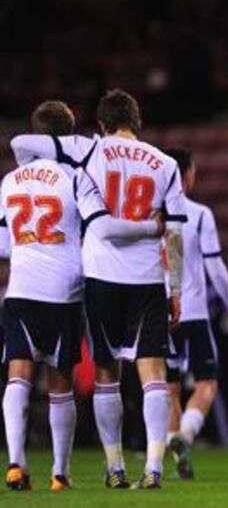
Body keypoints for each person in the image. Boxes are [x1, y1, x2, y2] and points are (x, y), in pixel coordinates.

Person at [10, 89, 186, 489]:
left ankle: (115, 467)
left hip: (102, 274)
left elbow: (22, 142)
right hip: (146, 277)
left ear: (103, 123)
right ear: (136, 122)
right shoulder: (166, 163)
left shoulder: (88, 150)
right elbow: (174, 233)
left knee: (108, 373)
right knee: (153, 374)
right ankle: (155, 467)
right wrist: (175, 288)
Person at [162, 147, 228, 479]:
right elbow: (214, 265)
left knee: (168, 388)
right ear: (188, 175)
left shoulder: (150, 214)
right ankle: (185, 436)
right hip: (193, 309)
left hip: (160, 312)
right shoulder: (198, 214)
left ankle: (170, 446)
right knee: (207, 383)